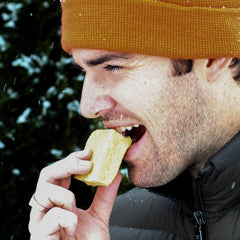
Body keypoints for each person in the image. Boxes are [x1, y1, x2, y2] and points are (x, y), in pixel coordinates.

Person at [28, 1, 240, 239]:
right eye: (83, 72)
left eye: (113, 67)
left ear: (213, 57)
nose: (87, 107)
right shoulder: (111, 224)